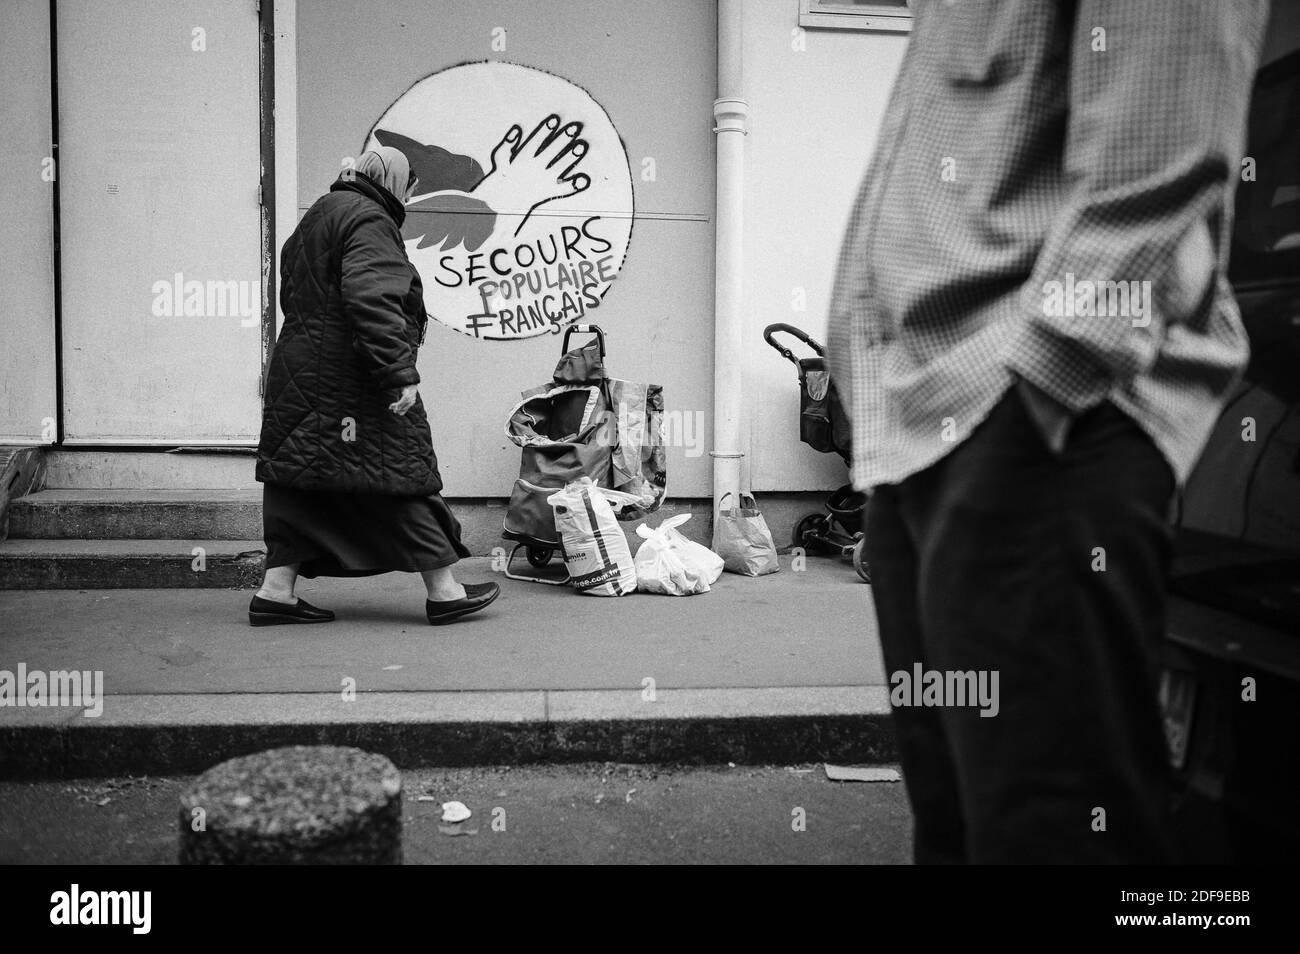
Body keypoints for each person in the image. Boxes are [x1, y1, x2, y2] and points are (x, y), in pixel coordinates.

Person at [827, 0, 1268, 863]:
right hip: (924, 428)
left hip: (1028, 433)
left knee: (1052, 835)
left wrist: (1039, 391)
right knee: (957, 828)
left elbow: (1158, 153)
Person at [250, 146, 500, 627]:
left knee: (299, 479)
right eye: (408, 187)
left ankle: (275, 592)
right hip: (354, 377)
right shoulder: (369, 220)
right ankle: (445, 591)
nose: (408, 198)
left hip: (303, 374)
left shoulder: (320, 215)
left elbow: (299, 296)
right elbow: (371, 297)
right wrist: (397, 373)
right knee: (402, 475)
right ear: (390, 181)